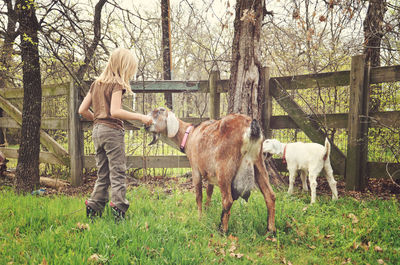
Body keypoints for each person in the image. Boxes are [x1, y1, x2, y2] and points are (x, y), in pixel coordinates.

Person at [78, 47, 152, 221]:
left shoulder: (96, 84)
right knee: (118, 172)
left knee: (102, 173)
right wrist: (141, 117)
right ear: (123, 67)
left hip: (97, 131)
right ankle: (118, 208)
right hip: (112, 132)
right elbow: (116, 111)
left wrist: (96, 120)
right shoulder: (117, 84)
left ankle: (94, 207)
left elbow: (82, 110)